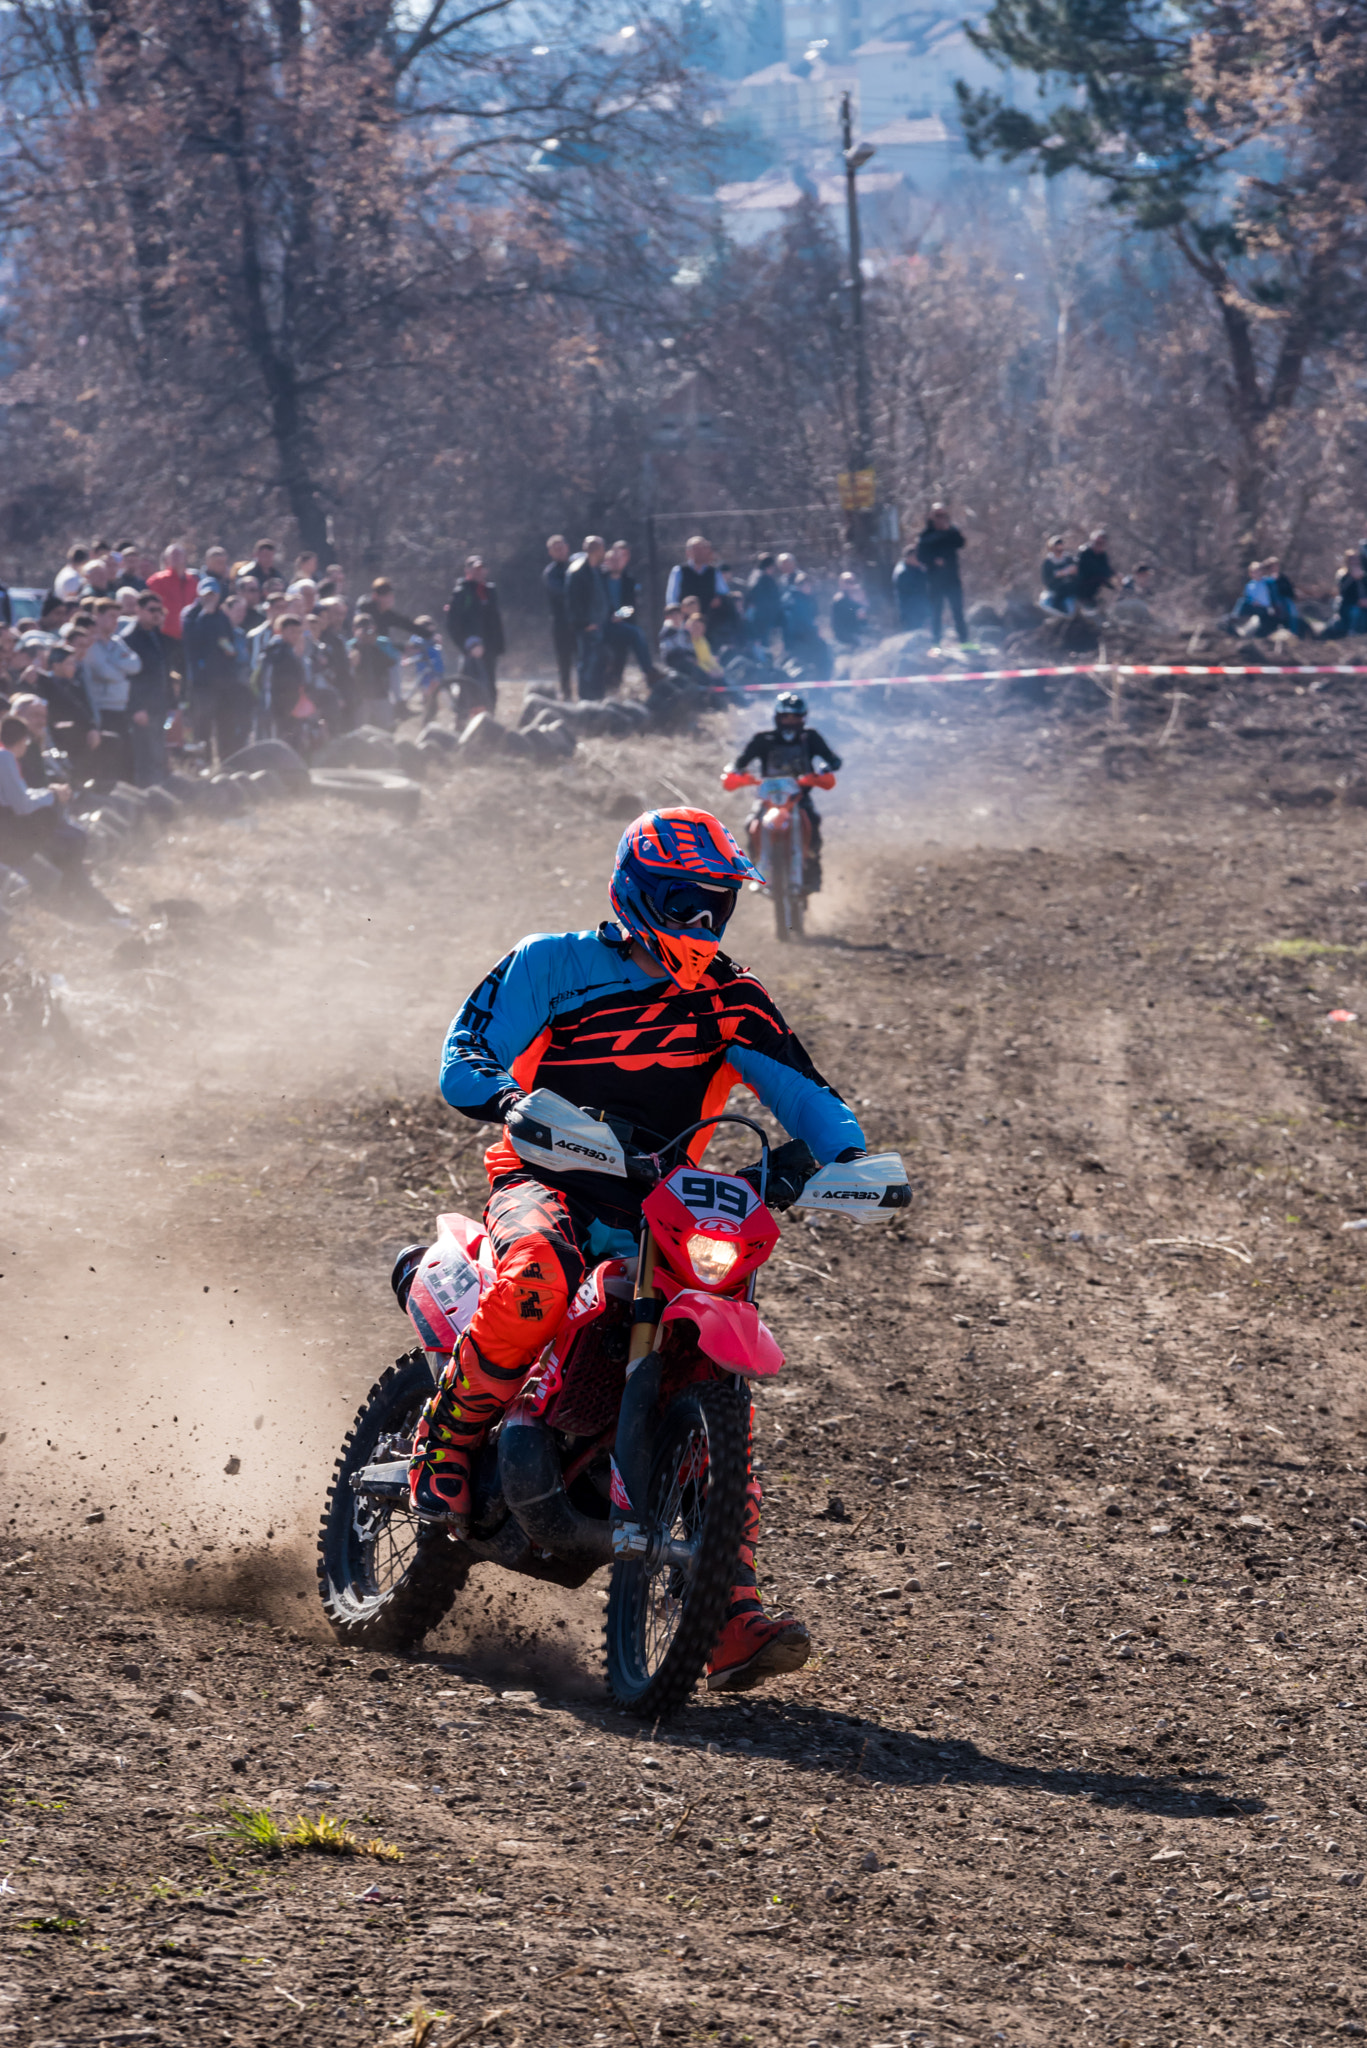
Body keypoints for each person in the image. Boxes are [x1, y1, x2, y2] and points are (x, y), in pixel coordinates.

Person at [409, 807, 870, 1691]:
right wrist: (511, 1101)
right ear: (637, 891)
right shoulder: (552, 962)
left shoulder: (734, 997)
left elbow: (814, 1100)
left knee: (712, 1368)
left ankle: (722, 1609)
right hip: (545, 1177)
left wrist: (844, 1160)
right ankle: (447, 1440)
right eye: (683, 903)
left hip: (664, 1199)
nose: (700, 925)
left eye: (716, 906)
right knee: (538, 1277)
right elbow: (465, 1054)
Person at [722, 691, 841, 896]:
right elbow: (741, 762)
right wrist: (734, 771)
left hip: (799, 797)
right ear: (777, 717)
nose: (790, 721)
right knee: (751, 824)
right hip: (769, 797)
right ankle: (758, 870)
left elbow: (833, 759)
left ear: (802, 718)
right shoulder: (763, 739)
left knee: (813, 822)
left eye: (795, 717)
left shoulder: (810, 737)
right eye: (786, 716)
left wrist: (826, 767)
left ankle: (813, 873)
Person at [0, 715, 85, 881]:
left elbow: (21, 795)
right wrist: (52, 796)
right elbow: (22, 805)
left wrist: (48, 791)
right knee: (50, 813)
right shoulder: (5, 757)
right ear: (23, 740)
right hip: (6, 830)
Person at [80, 597, 142, 781]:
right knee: (108, 758)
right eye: (111, 616)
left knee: (127, 757)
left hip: (121, 708)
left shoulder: (117, 642)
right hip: (101, 710)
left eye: (118, 616)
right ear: (97, 616)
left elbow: (136, 665)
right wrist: (119, 668)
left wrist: (113, 662)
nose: (115, 621)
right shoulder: (91, 645)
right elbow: (106, 672)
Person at [119, 590, 175, 785]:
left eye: (160, 610)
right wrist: (135, 707)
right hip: (142, 709)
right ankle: (148, 799)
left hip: (158, 706)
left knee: (159, 755)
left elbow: (163, 672)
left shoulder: (157, 636)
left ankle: (160, 798)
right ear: (139, 610)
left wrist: (171, 702)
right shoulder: (130, 639)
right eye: (152, 610)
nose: (156, 614)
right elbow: (129, 678)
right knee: (146, 757)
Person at [603, 541, 660, 689]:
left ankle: (645, 674)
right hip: (603, 624)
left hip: (622, 623)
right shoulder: (600, 580)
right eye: (612, 561)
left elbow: (632, 606)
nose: (615, 564)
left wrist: (620, 615)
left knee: (622, 652)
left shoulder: (628, 580)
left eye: (618, 560)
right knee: (635, 634)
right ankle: (649, 671)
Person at [445, 556, 505, 692]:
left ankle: (489, 712)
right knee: (470, 686)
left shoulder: (490, 590)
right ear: (467, 571)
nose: (479, 572)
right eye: (475, 569)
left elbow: (495, 619)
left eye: (481, 569)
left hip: (490, 646)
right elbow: (453, 624)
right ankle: (466, 712)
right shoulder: (462, 592)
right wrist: (467, 646)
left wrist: (498, 645)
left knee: (490, 685)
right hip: (473, 647)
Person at [916, 502, 968, 644]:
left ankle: (964, 640)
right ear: (932, 516)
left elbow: (961, 543)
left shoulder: (951, 531)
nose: (941, 518)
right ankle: (936, 641)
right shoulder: (926, 535)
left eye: (943, 515)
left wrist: (950, 530)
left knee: (958, 611)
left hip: (952, 579)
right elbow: (920, 556)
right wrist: (933, 561)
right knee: (936, 612)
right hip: (934, 580)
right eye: (938, 515)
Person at [566, 535, 610, 703]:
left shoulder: (598, 570)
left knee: (599, 661)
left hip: (600, 624)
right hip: (587, 626)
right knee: (587, 662)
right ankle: (586, 699)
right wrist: (584, 623)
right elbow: (573, 601)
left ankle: (598, 697)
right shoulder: (577, 571)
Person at [780, 573, 830, 680]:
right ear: (800, 585)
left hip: (804, 640)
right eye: (808, 585)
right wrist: (815, 630)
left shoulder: (803, 598)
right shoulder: (795, 600)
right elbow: (799, 622)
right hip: (800, 641)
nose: (810, 588)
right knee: (805, 669)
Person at [543, 535, 574, 701]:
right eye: (556, 549)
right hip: (561, 624)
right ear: (550, 552)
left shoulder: (576, 566)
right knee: (564, 662)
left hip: (578, 622)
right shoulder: (551, 573)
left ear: (567, 548)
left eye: (561, 547)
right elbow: (562, 593)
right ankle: (566, 695)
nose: (560, 551)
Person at [146, 543, 198, 641]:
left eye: (178, 555)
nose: (175, 558)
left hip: (188, 635)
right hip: (164, 635)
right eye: (172, 555)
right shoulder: (157, 580)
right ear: (166, 559)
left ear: (185, 558)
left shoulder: (193, 581)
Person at [1323, 550, 1367, 640]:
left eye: (1356, 560)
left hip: (1364, 605)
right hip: (1347, 605)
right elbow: (1343, 592)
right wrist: (1352, 578)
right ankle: (1351, 633)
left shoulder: (1364, 576)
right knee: (1355, 612)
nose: (1355, 562)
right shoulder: (1343, 576)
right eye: (1352, 560)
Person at [745, 555, 784, 648]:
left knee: (760, 640)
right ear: (769, 567)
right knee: (763, 642)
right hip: (763, 617)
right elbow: (767, 599)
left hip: (758, 616)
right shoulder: (764, 579)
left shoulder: (755, 577)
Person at [1075, 528, 1115, 611]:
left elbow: (1106, 571)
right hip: (1081, 590)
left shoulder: (1102, 556)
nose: (1099, 546)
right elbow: (1091, 570)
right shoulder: (1085, 553)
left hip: (1095, 591)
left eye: (1102, 543)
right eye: (1097, 543)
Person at [892, 546, 929, 632]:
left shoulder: (916, 568)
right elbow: (912, 591)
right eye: (917, 557)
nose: (920, 559)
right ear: (909, 557)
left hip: (920, 609)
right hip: (910, 611)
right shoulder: (902, 572)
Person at [1040, 536, 1078, 616]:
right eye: (1057, 549)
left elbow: (1077, 573)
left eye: (1061, 549)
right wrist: (1060, 573)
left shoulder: (1069, 559)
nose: (1059, 552)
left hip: (1069, 592)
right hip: (1054, 592)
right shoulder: (1048, 562)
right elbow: (1046, 580)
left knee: (1071, 608)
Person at [830, 571, 868, 650]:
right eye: (847, 582)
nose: (850, 584)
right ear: (841, 583)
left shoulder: (856, 596)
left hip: (855, 630)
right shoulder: (840, 600)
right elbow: (841, 621)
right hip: (844, 634)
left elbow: (863, 618)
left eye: (852, 582)